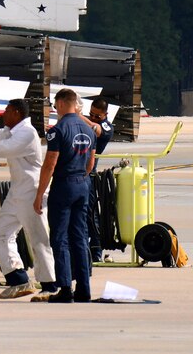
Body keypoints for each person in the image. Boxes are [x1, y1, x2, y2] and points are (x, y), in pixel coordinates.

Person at [0, 99, 56, 299]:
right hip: (17, 191)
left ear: (16, 112)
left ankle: (49, 284)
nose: (3, 114)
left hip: (32, 191)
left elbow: (2, 149)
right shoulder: (10, 130)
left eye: (6, 111)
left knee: (38, 238)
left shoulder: (27, 133)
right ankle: (18, 279)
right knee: (1, 233)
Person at [33, 88, 96, 303]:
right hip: (82, 184)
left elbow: (50, 163)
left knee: (59, 238)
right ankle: (84, 288)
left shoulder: (57, 130)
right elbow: (91, 163)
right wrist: (81, 177)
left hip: (64, 185)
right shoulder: (88, 130)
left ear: (60, 104)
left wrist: (40, 193)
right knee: (79, 236)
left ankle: (65, 288)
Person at [85, 97, 114, 262]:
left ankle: (96, 251)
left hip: (90, 174)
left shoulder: (107, 127)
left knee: (91, 213)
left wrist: (75, 115)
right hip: (76, 174)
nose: (93, 118)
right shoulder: (87, 121)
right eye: (91, 114)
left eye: (98, 116)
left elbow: (96, 128)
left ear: (105, 115)